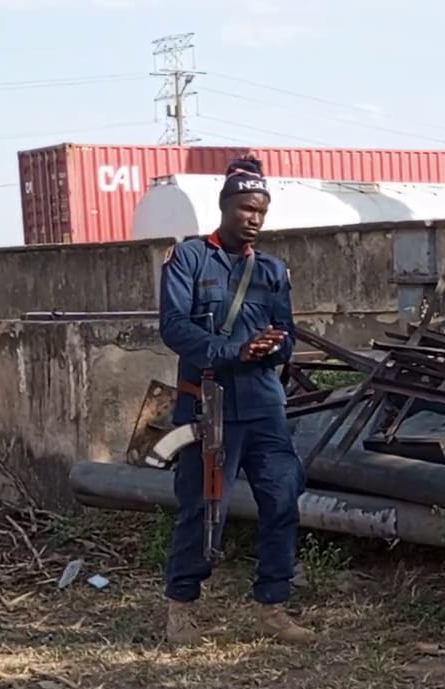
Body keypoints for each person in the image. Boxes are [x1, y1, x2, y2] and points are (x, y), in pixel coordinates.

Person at [157, 155, 314, 645]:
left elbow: (288, 332)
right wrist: (233, 349)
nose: (254, 218)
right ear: (225, 206)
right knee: (203, 508)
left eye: (262, 211)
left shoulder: (271, 270)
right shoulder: (188, 259)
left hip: (264, 404)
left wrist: (275, 346)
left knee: (282, 499)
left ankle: (273, 608)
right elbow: (174, 326)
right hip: (209, 404)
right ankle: (180, 608)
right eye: (246, 207)